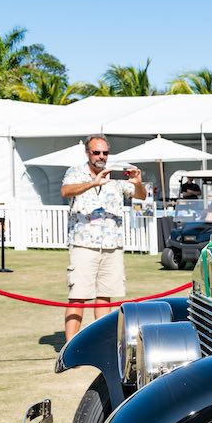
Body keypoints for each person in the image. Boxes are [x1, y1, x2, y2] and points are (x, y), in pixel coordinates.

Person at [60, 137, 146, 340]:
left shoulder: (115, 176)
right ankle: (69, 348)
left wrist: (138, 182)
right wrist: (93, 183)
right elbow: (65, 191)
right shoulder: (75, 172)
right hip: (83, 243)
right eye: (96, 152)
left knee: (104, 298)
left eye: (105, 153)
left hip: (112, 244)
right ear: (87, 153)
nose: (101, 157)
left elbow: (140, 196)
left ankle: (100, 344)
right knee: (78, 297)